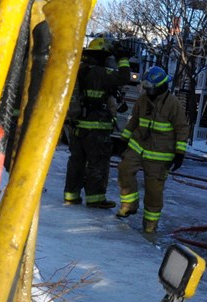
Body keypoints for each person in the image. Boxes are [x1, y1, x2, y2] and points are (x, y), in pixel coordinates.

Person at [116, 65, 189, 234]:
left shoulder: (173, 104)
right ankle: (129, 205)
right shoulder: (143, 100)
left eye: (150, 88)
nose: (147, 91)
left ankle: (150, 223)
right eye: (146, 87)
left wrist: (180, 153)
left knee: (154, 190)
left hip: (160, 154)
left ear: (160, 86)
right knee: (124, 169)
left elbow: (182, 128)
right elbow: (134, 121)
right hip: (138, 146)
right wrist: (124, 139)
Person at [63, 36, 132, 208]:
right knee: (98, 162)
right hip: (97, 128)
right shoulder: (101, 73)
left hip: (76, 126)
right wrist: (123, 58)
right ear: (102, 56)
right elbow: (124, 77)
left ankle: (71, 195)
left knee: (76, 161)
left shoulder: (79, 71)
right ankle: (96, 198)